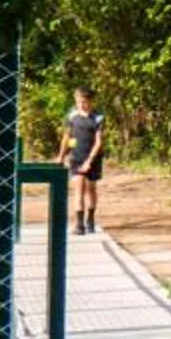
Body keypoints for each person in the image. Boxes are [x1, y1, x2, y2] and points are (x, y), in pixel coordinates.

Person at [62, 87, 105, 235]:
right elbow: (67, 136)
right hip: (76, 157)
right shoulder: (72, 115)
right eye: (79, 101)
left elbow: (99, 142)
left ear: (91, 102)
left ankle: (90, 220)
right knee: (78, 187)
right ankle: (79, 224)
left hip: (92, 158)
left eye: (85, 102)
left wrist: (89, 161)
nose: (82, 105)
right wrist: (62, 156)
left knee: (90, 189)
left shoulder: (98, 117)